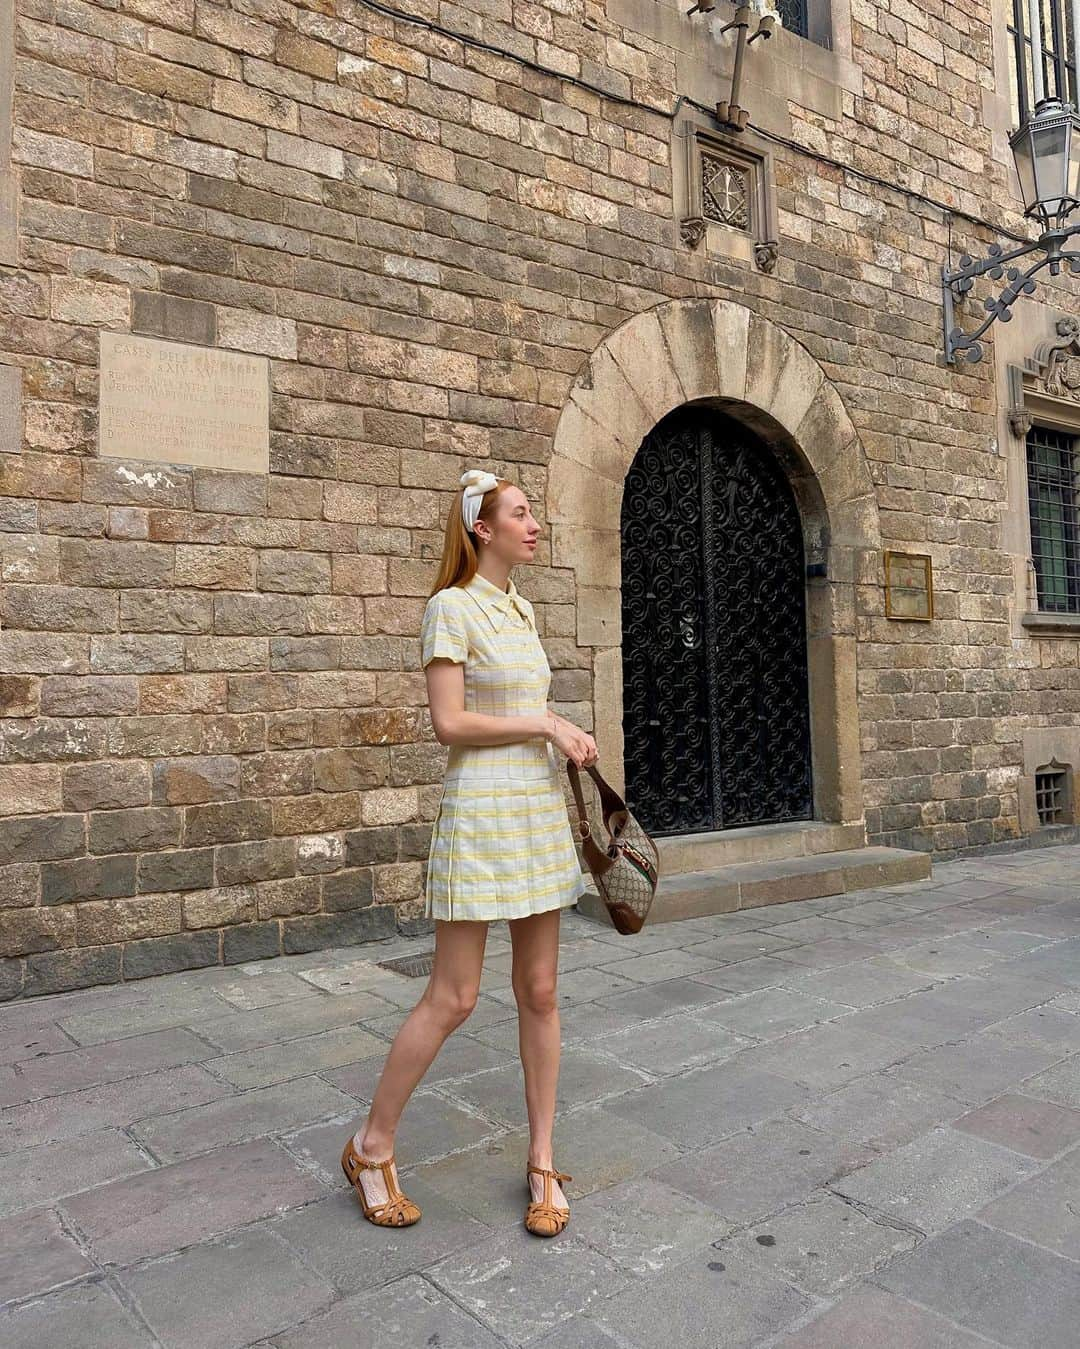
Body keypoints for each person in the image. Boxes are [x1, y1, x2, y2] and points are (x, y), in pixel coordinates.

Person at [341, 468, 598, 1237]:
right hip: (482, 815)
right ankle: (371, 1144)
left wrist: (565, 728)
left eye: (532, 515)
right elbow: (450, 722)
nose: (534, 525)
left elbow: (518, 705)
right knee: (453, 995)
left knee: (542, 988)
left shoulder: (521, 609)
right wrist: (546, 725)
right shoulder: (450, 607)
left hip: (535, 813)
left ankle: (543, 1159)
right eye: (520, 514)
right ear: (481, 529)